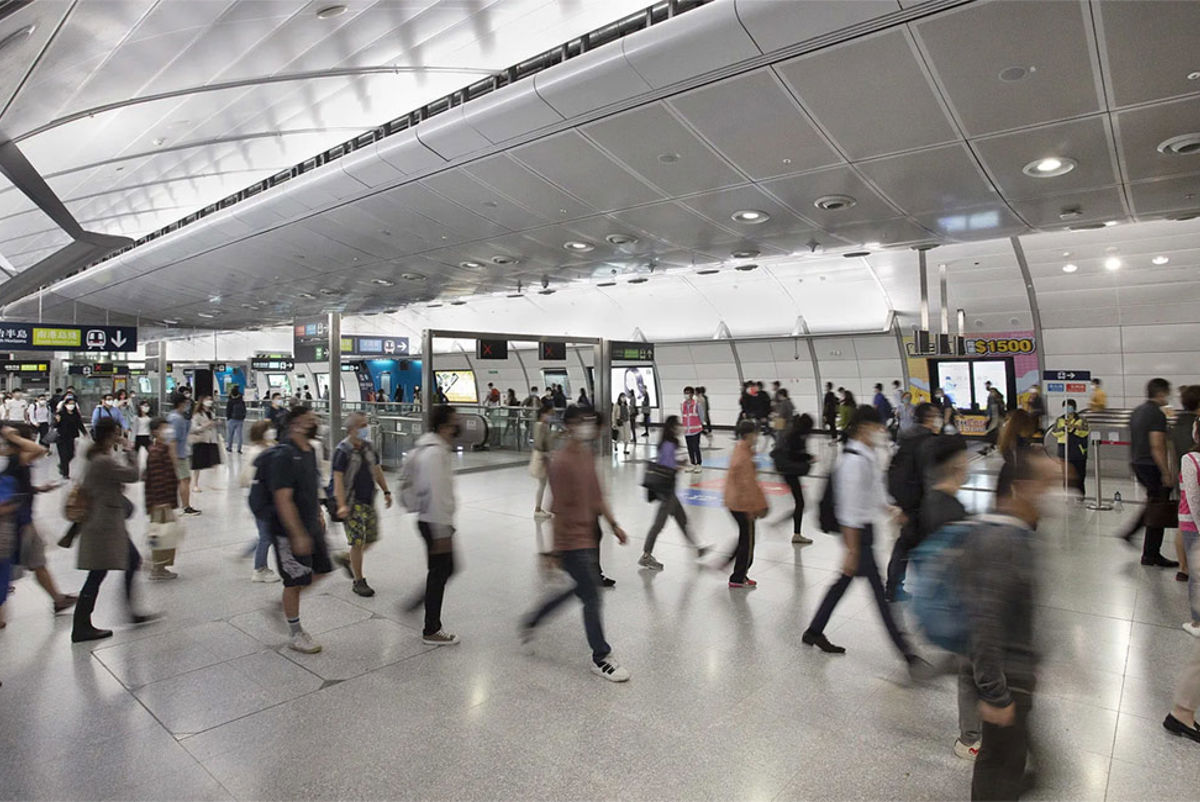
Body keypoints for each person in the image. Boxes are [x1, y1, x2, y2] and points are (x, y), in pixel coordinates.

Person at [802, 406, 925, 673]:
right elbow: (848, 510)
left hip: (864, 532)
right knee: (879, 595)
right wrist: (852, 549)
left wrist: (891, 508)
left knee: (842, 584)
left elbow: (875, 490)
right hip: (857, 535)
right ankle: (907, 653)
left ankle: (814, 631)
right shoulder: (852, 462)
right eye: (875, 426)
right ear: (862, 428)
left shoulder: (867, 455)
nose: (880, 431)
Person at [964, 451, 1056, 800]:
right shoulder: (1002, 541)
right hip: (1005, 679)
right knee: (999, 768)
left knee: (1008, 763)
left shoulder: (1013, 534)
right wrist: (994, 693)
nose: (1051, 495)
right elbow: (984, 621)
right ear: (1018, 489)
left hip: (1012, 675)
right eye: (1045, 485)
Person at [520, 404, 630, 681]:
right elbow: (556, 508)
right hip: (571, 541)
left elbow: (597, 496)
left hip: (588, 536)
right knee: (592, 596)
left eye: (588, 421)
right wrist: (555, 551)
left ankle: (534, 618)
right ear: (569, 425)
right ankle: (601, 657)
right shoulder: (561, 462)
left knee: (581, 590)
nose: (587, 425)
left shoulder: (587, 455)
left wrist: (614, 525)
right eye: (582, 421)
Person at [917, 436, 982, 761]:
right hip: (960, 607)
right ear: (955, 463)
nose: (968, 463)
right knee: (972, 673)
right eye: (965, 458)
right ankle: (970, 739)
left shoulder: (933, 501)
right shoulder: (951, 511)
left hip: (949, 606)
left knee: (970, 669)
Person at [70, 418, 158, 642]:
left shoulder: (96, 456)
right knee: (98, 572)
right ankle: (82, 625)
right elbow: (134, 474)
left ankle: (128, 612)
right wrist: (130, 450)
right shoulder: (102, 460)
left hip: (107, 522)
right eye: (117, 433)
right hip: (104, 525)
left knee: (125, 562)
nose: (120, 437)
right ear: (110, 435)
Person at [269, 405, 331, 653]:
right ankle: (295, 633)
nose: (314, 424)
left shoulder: (309, 450)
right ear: (294, 424)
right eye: (309, 420)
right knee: (294, 581)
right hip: (288, 530)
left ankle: (281, 605)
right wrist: (296, 534)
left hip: (310, 522)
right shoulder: (284, 454)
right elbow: (282, 498)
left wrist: (318, 511)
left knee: (323, 569)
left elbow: (309, 485)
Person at [1, 425, 77, 615]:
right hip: (19, 521)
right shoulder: (15, 458)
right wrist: (13, 437)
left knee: (36, 562)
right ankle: (57, 599)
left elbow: (19, 487)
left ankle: (57, 599)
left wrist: (37, 489)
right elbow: (40, 450)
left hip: (22, 519)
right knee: (30, 562)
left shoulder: (12, 460)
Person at [407, 405, 462, 646]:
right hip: (434, 521)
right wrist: (441, 533)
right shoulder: (435, 454)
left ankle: (420, 602)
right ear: (444, 426)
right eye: (454, 421)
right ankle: (431, 629)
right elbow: (435, 494)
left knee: (446, 569)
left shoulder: (433, 449)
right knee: (441, 571)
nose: (458, 425)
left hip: (432, 520)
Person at [1118, 378, 1179, 568]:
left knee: (1154, 503)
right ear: (1160, 393)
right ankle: (1151, 554)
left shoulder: (1137, 411)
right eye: (1167, 393)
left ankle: (1133, 536)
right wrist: (1166, 472)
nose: (1168, 397)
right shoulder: (1157, 414)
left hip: (1137, 462)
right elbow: (1157, 445)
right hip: (1152, 465)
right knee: (1159, 507)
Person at [885, 403, 942, 602]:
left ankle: (894, 587)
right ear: (929, 418)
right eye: (936, 416)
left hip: (905, 499)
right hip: (921, 500)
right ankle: (925, 592)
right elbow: (930, 475)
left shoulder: (905, 437)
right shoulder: (928, 441)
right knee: (915, 543)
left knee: (907, 542)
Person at [330, 412, 392, 598]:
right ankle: (359, 581)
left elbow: (377, 469)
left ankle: (346, 558)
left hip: (368, 500)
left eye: (366, 424)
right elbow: (338, 478)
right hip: (351, 502)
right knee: (357, 542)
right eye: (362, 425)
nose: (366, 428)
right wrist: (341, 504)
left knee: (371, 538)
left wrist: (386, 491)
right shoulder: (343, 451)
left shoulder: (369, 447)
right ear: (351, 429)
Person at [638, 415, 703, 571]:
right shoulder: (669, 444)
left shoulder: (668, 443)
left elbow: (666, 463)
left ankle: (697, 549)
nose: (680, 426)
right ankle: (646, 555)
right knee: (658, 524)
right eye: (678, 424)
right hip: (667, 492)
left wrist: (678, 463)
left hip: (669, 490)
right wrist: (679, 465)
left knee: (682, 520)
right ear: (673, 427)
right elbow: (667, 467)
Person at [724, 419, 768, 588]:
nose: (757, 437)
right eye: (756, 433)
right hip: (741, 504)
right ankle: (738, 577)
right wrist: (756, 507)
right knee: (747, 542)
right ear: (749, 434)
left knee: (745, 538)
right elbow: (748, 485)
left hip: (735, 501)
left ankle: (738, 573)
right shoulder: (744, 456)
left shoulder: (742, 449)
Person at [143, 417, 181, 580]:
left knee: (165, 534)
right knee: (160, 535)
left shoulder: (165, 448)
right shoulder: (156, 451)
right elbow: (157, 478)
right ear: (155, 432)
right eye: (164, 428)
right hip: (160, 500)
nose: (168, 431)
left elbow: (173, 470)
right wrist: (161, 501)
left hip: (165, 498)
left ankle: (158, 565)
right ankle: (157, 567)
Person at [242, 420, 280, 583]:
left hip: (267, 498)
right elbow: (250, 478)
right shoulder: (256, 452)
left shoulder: (268, 448)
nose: (272, 431)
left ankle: (248, 553)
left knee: (267, 533)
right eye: (268, 429)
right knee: (266, 535)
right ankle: (259, 569)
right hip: (261, 498)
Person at [1170, 386, 1200, 582]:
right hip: (1195, 475)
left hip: (1182, 477)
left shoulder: (1177, 422)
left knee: (1183, 523)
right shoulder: (1196, 423)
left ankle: (1183, 568)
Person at [772, 413, 814, 545]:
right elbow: (795, 455)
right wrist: (808, 458)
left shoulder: (793, 433)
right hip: (790, 472)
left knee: (800, 503)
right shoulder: (797, 436)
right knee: (800, 503)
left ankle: (792, 530)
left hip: (788, 472)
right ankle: (795, 533)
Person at [1178, 417, 1200, 637]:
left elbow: (1193, 497)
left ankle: (1198, 623)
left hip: (1193, 524)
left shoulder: (1190, 459)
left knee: (1197, 574)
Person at [167, 394, 200, 516]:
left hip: (180, 452)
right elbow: (173, 440)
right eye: (186, 403)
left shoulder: (174, 416)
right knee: (185, 479)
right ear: (181, 403)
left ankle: (181, 505)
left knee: (183, 479)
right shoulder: (177, 419)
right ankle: (185, 506)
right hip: (178, 454)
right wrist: (174, 456)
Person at [1051, 400, 1089, 497]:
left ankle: (1080, 494)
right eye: (1065, 407)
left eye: (1070, 407)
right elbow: (1054, 432)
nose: (1067, 409)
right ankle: (1068, 494)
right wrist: (1064, 428)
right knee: (1067, 475)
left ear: (1074, 408)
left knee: (1080, 474)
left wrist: (1075, 428)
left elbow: (1085, 432)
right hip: (1064, 451)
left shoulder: (1081, 419)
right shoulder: (1060, 420)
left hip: (1078, 451)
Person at [53, 396, 87, 479]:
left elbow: (80, 424)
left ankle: (62, 465)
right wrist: (57, 421)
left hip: (71, 437)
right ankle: (65, 473)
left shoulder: (76, 415)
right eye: (70, 404)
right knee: (63, 455)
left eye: (73, 404)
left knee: (71, 454)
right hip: (61, 437)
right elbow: (55, 425)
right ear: (65, 405)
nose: (71, 405)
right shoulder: (60, 414)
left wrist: (85, 433)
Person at [531, 403, 555, 519]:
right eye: (549, 414)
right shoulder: (541, 426)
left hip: (544, 456)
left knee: (543, 484)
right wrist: (547, 455)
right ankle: (538, 509)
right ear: (543, 414)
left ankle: (539, 508)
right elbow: (540, 443)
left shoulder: (541, 425)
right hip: (542, 457)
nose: (550, 416)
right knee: (543, 483)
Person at [680, 386, 704, 473]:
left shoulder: (697, 404)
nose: (686, 395)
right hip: (687, 431)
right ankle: (692, 463)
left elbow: (701, 416)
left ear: (692, 394)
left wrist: (700, 425)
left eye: (688, 393)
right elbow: (683, 416)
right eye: (685, 393)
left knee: (696, 447)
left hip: (696, 430)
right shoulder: (683, 405)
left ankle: (699, 464)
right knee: (689, 448)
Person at [984, 387, 1007, 453]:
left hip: (997, 417)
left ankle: (993, 445)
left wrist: (988, 415)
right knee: (996, 431)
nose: (991, 393)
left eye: (992, 392)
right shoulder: (995, 399)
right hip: (997, 417)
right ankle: (994, 445)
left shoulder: (997, 400)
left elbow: (991, 409)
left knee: (992, 431)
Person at [226, 385, 247, 455]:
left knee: (230, 435)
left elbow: (228, 410)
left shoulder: (230, 400)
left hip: (232, 419)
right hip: (240, 420)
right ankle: (239, 449)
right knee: (239, 435)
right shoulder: (241, 400)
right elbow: (245, 409)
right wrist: (243, 417)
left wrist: (228, 418)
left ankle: (229, 447)